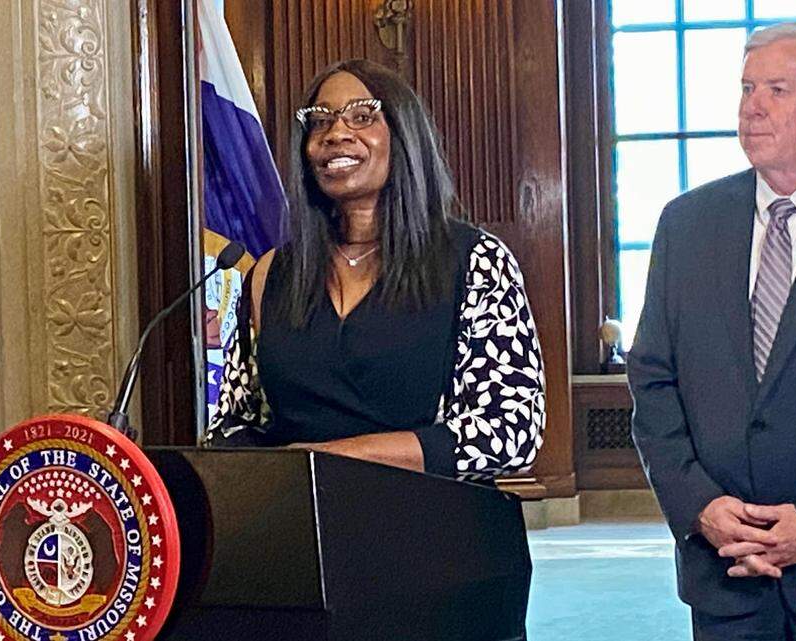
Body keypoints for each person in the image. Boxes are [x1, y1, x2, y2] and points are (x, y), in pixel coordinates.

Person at [629, 22, 796, 640]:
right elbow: (653, 379)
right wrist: (699, 505)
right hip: (726, 578)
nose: (751, 107)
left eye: (777, 90)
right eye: (747, 88)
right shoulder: (687, 223)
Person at [203, 59, 545, 482]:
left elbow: (509, 433)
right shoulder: (270, 273)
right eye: (320, 121)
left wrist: (325, 459)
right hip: (298, 517)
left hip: (431, 516)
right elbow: (233, 427)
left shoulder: (476, 261)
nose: (336, 133)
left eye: (362, 117)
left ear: (403, 136)